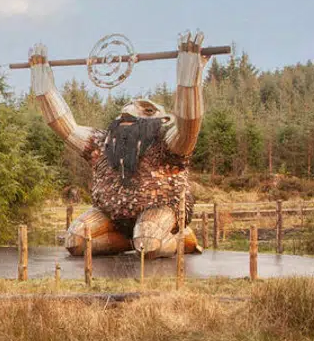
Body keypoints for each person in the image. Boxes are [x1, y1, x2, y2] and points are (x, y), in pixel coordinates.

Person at [27, 32, 208, 256]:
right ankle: (131, 241)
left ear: (164, 120)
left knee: (148, 238)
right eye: (126, 111)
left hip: (160, 209)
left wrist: (188, 75)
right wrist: (42, 83)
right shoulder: (103, 144)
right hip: (110, 213)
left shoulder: (167, 146)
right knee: (75, 241)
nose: (130, 112)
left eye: (146, 110)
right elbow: (66, 127)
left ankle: (176, 239)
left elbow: (189, 123)